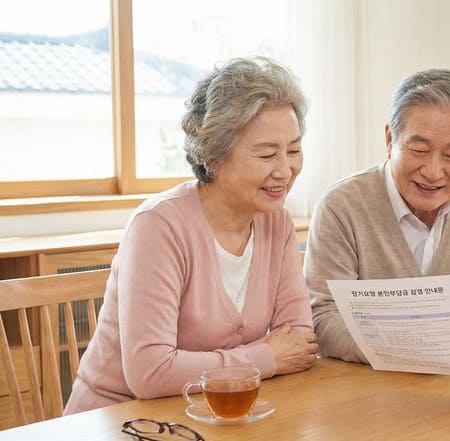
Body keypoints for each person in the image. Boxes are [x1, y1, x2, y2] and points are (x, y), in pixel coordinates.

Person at [65, 57, 319, 414]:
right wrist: (265, 356)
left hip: (219, 416)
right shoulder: (158, 226)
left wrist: (199, 365)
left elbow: (298, 343)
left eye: (293, 150)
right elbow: (150, 373)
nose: (285, 170)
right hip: (119, 423)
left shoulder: (276, 222)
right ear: (214, 155)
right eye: (266, 154)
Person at [305, 68, 450, 363]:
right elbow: (323, 319)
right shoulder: (341, 205)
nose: (433, 171)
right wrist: (420, 344)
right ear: (390, 139)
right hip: (367, 387)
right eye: (418, 148)